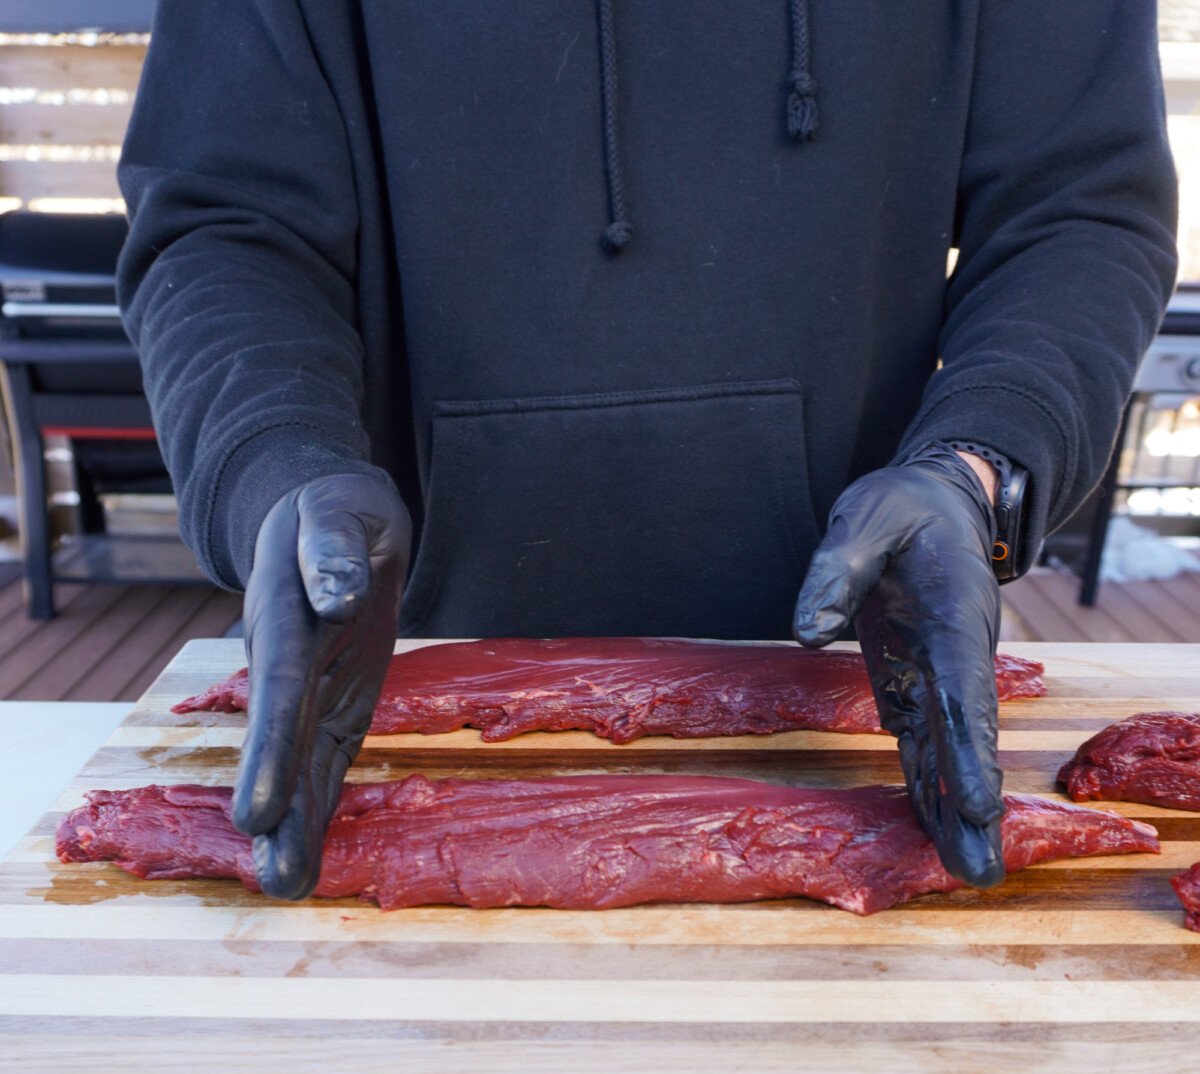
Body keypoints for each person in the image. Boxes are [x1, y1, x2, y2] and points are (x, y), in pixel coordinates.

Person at [115, 2, 1178, 901]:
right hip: (390, 661)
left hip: (886, 652)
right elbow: (227, 219)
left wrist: (978, 466)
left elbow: (1075, 205)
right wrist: (277, 462)